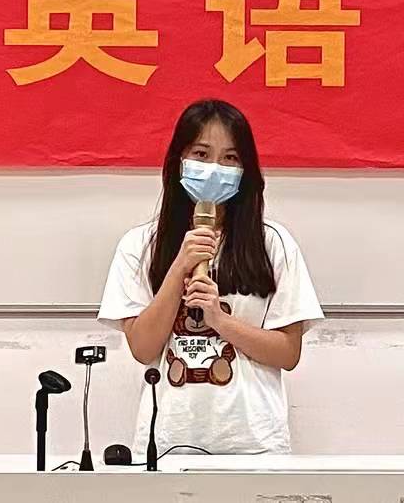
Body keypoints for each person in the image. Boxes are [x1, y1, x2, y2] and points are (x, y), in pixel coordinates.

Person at [97, 98, 323, 455]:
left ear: (246, 170)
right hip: (167, 443)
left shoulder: (273, 243)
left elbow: (287, 352)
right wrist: (178, 268)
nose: (215, 168)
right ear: (180, 160)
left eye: (230, 158)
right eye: (201, 154)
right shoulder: (139, 245)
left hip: (253, 445)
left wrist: (219, 320)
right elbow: (142, 348)